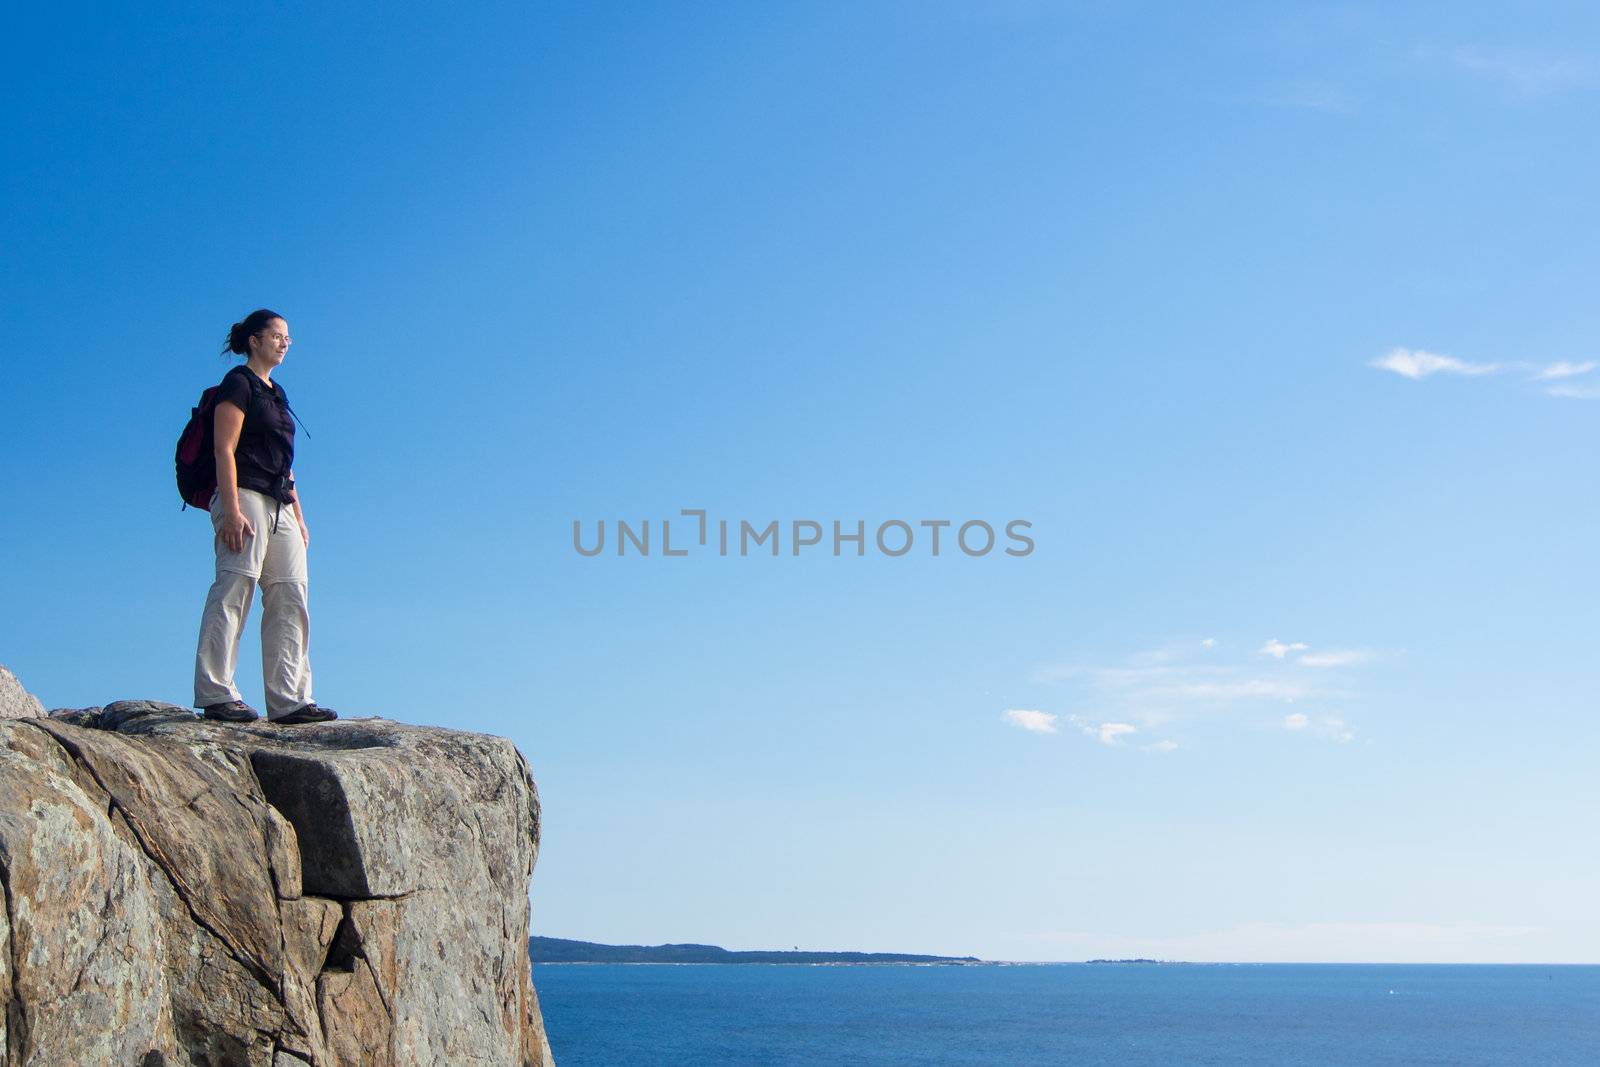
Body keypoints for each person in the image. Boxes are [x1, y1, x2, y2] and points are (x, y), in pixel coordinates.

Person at [193, 308, 336, 725]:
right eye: (277, 336)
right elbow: (225, 448)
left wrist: (300, 515)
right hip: (244, 495)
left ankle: (290, 700)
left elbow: (285, 464)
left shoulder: (277, 393)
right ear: (254, 340)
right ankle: (217, 693)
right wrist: (232, 510)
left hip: (281, 504)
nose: (284, 343)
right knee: (236, 587)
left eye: (288, 338)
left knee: (291, 595)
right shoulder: (238, 384)